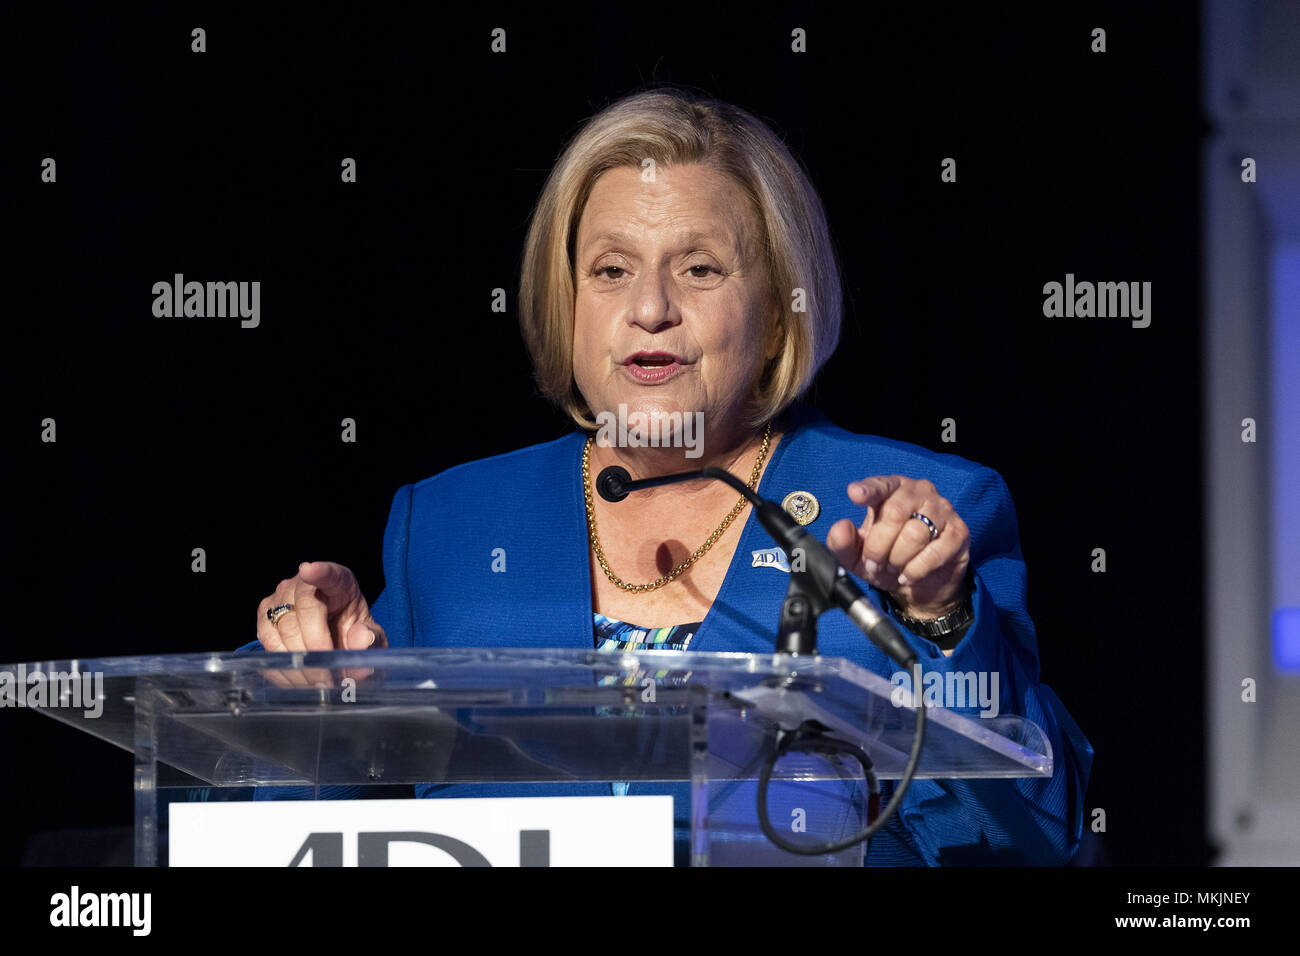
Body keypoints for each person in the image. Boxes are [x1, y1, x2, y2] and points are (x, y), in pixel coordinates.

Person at [245, 87, 1093, 865]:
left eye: (700, 267)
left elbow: (1041, 835)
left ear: (777, 312)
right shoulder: (456, 525)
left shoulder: (916, 515)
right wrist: (308, 686)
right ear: (565, 305)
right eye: (610, 269)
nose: (650, 306)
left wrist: (943, 623)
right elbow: (297, 822)